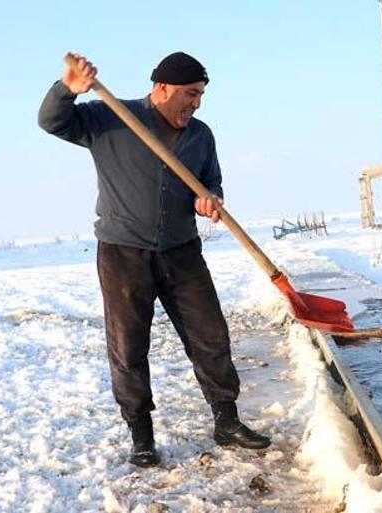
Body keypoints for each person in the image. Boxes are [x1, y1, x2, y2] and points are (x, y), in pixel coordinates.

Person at [38, 52, 270, 467]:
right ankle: (141, 436)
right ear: (162, 88)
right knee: (129, 348)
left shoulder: (201, 135)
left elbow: (211, 181)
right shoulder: (110, 117)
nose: (196, 103)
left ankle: (227, 421)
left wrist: (210, 198)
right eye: (190, 93)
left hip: (182, 252)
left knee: (210, 335)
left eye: (200, 95)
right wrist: (66, 90)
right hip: (123, 253)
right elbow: (52, 122)